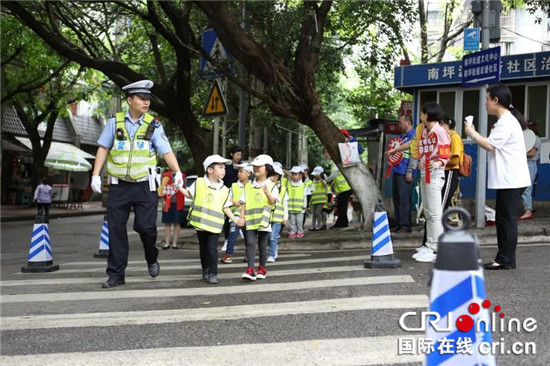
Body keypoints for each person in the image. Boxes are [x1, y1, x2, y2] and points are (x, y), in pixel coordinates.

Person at [90, 80, 184, 289]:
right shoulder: (115, 122)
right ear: (129, 100)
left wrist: (177, 172)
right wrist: (96, 175)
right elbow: (103, 148)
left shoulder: (153, 124)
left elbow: (166, 151)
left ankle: (152, 256)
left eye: (148, 99)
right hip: (119, 186)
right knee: (115, 230)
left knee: (145, 226)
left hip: (145, 186)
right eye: (142, 98)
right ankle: (116, 274)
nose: (146, 102)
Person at [465, 84, 530, 270]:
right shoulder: (505, 121)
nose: (485, 103)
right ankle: (503, 258)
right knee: (504, 218)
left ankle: (506, 260)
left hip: (512, 179)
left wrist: (472, 133)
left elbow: (490, 145)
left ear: (496, 100)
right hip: (509, 179)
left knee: (507, 219)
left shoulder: (506, 122)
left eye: (487, 99)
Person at [179, 155, 242, 284]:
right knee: (203, 248)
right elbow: (189, 194)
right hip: (200, 224)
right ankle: (205, 269)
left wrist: (235, 220)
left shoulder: (225, 189)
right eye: (220, 167)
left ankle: (213, 273)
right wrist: (178, 186)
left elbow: (226, 207)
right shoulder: (199, 183)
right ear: (210, 170)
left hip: (215, 226)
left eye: (224, 167)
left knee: (212, 248)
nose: (224, 170)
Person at [414, 102, 450, 263]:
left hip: (435, 174)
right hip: (425, 173)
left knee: (434, 212)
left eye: (422, 113)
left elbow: (445, 153)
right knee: (428, 212)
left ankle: (436, 248)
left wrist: (438, 163)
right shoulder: (426, 132)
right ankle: (429, 245)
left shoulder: (439, 131)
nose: (420, 115)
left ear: (428, 114)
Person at [241, 154, 278, 281]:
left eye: (259, 166)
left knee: (262, 245)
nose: (256, 169)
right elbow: (244, 203)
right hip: (250, 220)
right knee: (250, 243)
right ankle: (250, 270)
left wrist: (267, 192)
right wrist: (241, 218)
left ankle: (262, 268)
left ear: (267, 168)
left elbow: (273, 202)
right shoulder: (248, 185)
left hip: (264, 220)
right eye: (254, 166)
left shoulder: (272, 185)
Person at [386, 115, 415, 233]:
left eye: (400, 123)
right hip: (397, 170)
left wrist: (410, 171)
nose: (399, 125)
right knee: (397, 199)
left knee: (404, 200)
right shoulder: (401, 137)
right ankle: (399, 223)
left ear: (408, 123)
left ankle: (405, 225)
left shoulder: (413, 136)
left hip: (405, 172)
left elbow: (414, 155)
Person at [221, 162, 252, 263]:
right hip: (235, 216)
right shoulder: (233, 186)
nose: (239, 173)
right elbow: (228, 198)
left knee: (249, 237)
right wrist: (234, 202)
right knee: (232, 234)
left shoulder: (252, 186)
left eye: (241, 171)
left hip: (249, 216)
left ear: (248, 173)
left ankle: (248, 254)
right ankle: (228, 254)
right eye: (238, 171)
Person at [324, 149, 353, 229]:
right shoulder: (334, 163)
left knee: (342, 206)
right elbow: (335, 177)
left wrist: (325, 180)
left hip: (345, 188)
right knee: (341, 206)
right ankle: (342, 222)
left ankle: (342, 223)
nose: (325, 155)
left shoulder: (336, 163)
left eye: (327, 152)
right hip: (342, 189)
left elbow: (333, 175)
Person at [222, 146, 244, 250]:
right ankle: (227, 240)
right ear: (231, 154)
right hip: (228, 195)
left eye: (240, 154)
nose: (239, 157)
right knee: (228, 218)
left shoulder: (243, 166)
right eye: (237, 154)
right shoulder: (226, 167)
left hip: (241, 196)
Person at [519, 120, 541, 220]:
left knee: (527, 188)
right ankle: (527, 209)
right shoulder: (526, 138)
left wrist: (518, 152)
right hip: (524, 164)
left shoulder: (535, 139)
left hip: (530, 165)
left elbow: (531, 154)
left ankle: (528, 211)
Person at [158, 170, 185, 250]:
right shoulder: (165, 175)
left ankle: (175, 243)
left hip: (178, 202)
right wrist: (162, 200)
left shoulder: (182, 176)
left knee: (177, 222)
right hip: (167, 202)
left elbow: (184, 188)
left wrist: (176, 186)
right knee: (167, 222)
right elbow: (161, 188)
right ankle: (166, 243)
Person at [268, 162, 288, 262]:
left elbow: (285, 203)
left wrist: (285, 217)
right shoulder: (266, 186)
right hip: (267, 216)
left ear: (277, 176)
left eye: (274, 175)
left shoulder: (283, 189)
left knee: (273, 236)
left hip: (277, 217)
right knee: (268, 237)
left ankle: (271, 254)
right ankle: (274, 248)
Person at [287, 166, 308, 239]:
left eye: (296, 174)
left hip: (300, 208)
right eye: (293, 174)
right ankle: (292, 232)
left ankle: (300, 231)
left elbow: (304, 196)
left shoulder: (303, 185)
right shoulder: (289, 184)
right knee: (292, 221)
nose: (294, 176)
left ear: (300, 175)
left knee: (299, 221)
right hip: (291, 207)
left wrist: (305, 205)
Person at [309, 166, 328, 231]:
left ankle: (319, 225)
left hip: (321, 200)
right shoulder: (312, 182)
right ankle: (313, 226)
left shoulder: (323, 181)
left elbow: (324, 185)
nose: (315, 176)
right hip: (314, 200)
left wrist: (320, 178)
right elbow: (311, 191)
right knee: (314, 214)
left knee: (318, 212)